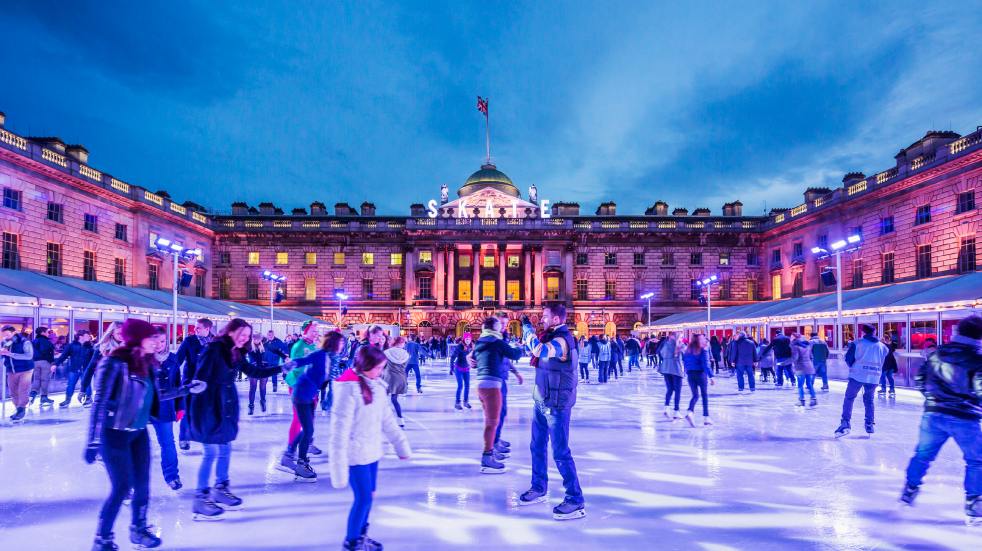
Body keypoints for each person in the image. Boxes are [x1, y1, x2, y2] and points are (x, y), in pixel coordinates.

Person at [84, 319, 202, 551]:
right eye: (151, 338)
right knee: (121, 487)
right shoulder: (113, 363)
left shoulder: (147, 363)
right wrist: (93, 441)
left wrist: (186, 389)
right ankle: (103, 538)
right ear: (138, 339)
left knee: (143, 485)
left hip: (138, 433)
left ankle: (139, 529)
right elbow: (99, 402)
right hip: (114, 433)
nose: (157, 343)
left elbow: (160, 394)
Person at [188, 318, 281, 520]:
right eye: (242, 335)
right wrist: (198, 393)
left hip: (225, 408)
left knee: (225, 449)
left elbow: (253, 371)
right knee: (211, 452)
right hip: (209, 408)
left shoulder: (235, 352)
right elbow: (199, 377)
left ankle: (220, 488)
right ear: (230, 332)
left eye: (248, 336)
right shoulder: (214, 349)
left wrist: (282, 368)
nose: (245, 339)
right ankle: (200, 498)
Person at [899, 315, 982, 526]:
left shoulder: (937, 354)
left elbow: (920, 379)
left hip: (933, 415)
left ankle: (910, 488)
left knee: (923, 454)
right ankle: (973, 503)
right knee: (976, 460)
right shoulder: (977, 360)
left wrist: (932, 400)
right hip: (965, 418)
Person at [330, 346, 411, 550]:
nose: (381, 372)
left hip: (372, 451)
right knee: (363, 498)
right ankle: (352, 541)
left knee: (370, 496)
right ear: (365, 366)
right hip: (355, 455)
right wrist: (338, 471)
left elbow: (387, 421)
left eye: (383, 368)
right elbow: (339, 433)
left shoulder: (377, 386)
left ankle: (361, 535)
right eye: (378, 368)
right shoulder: (348, 390)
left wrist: (401, 445)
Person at [518, 304, 586, 521]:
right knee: (536, 445)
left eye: (545, 316)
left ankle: (575, 499)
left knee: (560, 452)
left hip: (556, 404)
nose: (542, 319)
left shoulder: (562, 340)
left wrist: (526, 327)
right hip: (542, 399)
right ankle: (538, 487)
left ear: (556, 319)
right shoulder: (549, 336)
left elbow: (540, 351)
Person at [284, 331, 347, 481]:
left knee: (308, 429)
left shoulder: (334, 360)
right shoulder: (320, 354)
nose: (343, 345)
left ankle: (288, 455)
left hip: (310, 395)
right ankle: (301, 462)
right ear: (333, 343)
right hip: (301, 394)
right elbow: (303, 360)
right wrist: (288, 365)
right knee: (308, 430)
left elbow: (334, 378)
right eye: (341, 342)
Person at [474, 317, 524, 474]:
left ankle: (490, 451)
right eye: (499, 326)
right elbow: (515, 355)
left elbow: (474, 360)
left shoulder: (480, 341)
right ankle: (487, 457)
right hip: (492, 385)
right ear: (495, 328)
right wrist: (518, 347)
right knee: (492, 422)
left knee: (491, 421)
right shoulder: (496, 341)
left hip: (481, 385)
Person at [835, 324, 889, 438]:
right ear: (874, 333)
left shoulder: (857, 343)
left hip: (857, 375)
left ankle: (845, 423)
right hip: (874, 377)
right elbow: (883, 361)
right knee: (869, 400)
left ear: (863, 332)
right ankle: (869, 423)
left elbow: (848, 358)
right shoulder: (883, 347)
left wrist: (853, 366)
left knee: (849, 398)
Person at [149, 327, 185, 490]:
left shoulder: (173, 358)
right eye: (155, 341)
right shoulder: (142, 357)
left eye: (162, 341)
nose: (159, 345)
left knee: (168, 442)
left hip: (164, 407)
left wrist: (180, 406)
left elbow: (178, 383)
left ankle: (172, 476)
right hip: (143, 407)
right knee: (134, 444)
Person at [176, 318, 213, 450]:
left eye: (198, 328)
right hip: (191, 382)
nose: (195, 330)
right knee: (187, 411)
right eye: (195, 327)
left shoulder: (215, 343)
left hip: (208, 383)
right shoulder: (189, 341)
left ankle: (207, 435)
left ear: (207, 329)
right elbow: (178, 360)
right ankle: (184, 438)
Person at [80, 322, 124, 407]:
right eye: (118, 333)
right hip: (106, 389)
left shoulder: (129, 348)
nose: (121, 335)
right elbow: (90, 368)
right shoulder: (102, 348)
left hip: (124, 389)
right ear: (112, 333)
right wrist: (83, 389)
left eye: (124, 333)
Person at [1, 326, 35, 422]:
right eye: (3, 334)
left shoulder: (24, 342)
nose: (5, 336)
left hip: (26, 370)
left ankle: (22, 409)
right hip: (11, 370)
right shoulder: (4, 342)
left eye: (7, 334)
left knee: (22, 390)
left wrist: (10, 354)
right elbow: (4, 354)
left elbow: (29, 356)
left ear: (14, 332)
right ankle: (18, 409)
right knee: (13, 391)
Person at [682, 334, 715, 427]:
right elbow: (706, 364)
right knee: (704, 395)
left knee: (695, 395)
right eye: (703, 338)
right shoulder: (703, 349)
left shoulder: (688, 350)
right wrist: (711, 376)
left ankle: (690, 412)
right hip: (700, 374)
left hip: (690, 375)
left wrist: (686, 372)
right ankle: (706, 418)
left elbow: (685, 362)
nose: (705, 340)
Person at [56, 329, 95, 407]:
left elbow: (94, 358)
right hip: (74, 369)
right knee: (70, 384)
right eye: (87, 336)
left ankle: (88, 399)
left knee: (87, 384)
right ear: (81, 337)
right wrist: (55, 364)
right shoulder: (71, 346)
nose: (89, 337)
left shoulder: (90, 347)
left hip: (86, 369)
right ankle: (67, 399)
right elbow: (63, 356)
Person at [382, 337, 410, 429]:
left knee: (382, 398)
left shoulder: (387, 352)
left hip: (388, 377)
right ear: (401, 343)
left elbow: (382, 365)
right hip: (400, 378)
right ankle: (400, 420)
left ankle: (381, 419)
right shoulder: (406, 354)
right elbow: (405, 367)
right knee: (394, 399)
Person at [28, 326, 56, 407]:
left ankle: (32, 394)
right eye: (47, 332)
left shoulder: (33, 341)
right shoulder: (46, 342)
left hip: (35, 362)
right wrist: (52, 362)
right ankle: (44, 397)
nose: (48, 334)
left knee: (36, 379)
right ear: (42, 332)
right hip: (45, 362)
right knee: (45, 380)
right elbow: (47, 352)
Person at [658, 332, 684, 419]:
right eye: (681, 337)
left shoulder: (665, 344)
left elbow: (660, 353)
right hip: (676, 369)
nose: (682, 338)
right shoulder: (679, 345)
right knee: (677, 390)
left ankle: (666, 407)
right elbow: (687, 353)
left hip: (666, 369)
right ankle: (676, 411)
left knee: (670, 389)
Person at [246, 335, 271, 415]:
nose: (256, 340)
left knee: (263, 387)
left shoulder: (264, 345)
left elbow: (266, 339)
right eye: (255, 338)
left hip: (263, 368)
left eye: (258, 338)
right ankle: (251, 406)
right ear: (252, 339)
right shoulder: (249, 346)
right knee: (253, 388)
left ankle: (263, 401)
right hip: (253, 369)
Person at [791, 333, 817, 407]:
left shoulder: (795, 346)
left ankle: (801, 400)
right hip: (809, 367)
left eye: (792, 337)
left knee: (800, 385)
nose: (791, 338)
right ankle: (813, 399)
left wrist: (787, 362)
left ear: (795, 338)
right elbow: (811, 356)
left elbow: (795, 358)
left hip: (800, 368)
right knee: (809, 384)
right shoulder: (807, 346)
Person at [450, 332, 474, 410]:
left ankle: (466, 402)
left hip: (466, 369)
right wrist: (451, 368)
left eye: (469, 339)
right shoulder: (459, 347)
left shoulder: (471, 346)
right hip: (458, 368)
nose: (468, 341)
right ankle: (457, 403)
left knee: (467, 385)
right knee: (460, 385)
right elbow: (453, 357)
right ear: (464, 339)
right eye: (466, 339)